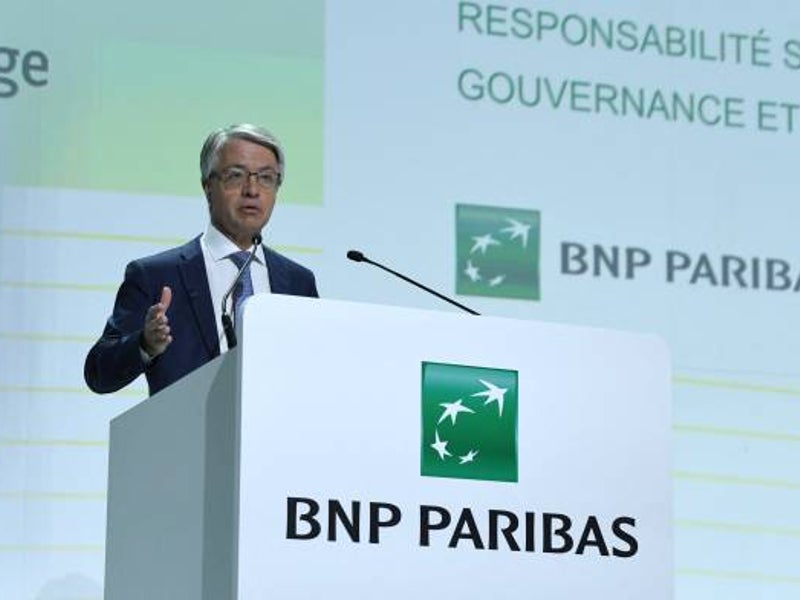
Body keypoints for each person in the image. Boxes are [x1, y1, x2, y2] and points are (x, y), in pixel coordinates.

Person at [84, 124, 318, 396]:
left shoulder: (299, 282)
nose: (252, 190)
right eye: (236, 175)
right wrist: (145, 344)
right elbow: (98, 373)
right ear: (208, 186)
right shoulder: (155, 276)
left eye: (266, 178)